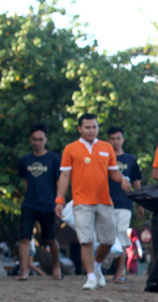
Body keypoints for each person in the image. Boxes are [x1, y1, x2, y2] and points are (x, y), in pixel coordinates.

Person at [54, 114, 130, 290]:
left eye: (94, 127)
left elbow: (114, 172)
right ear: (80, 128)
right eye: (87, 127)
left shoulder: (106, 147)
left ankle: (97, 266)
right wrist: (59, 199)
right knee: (86, 240)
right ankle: (90, 278)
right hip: (81, 202)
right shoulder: (71, 149)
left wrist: (123, 179)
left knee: (109, 240)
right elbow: (64, 175)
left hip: (104, 200)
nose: (91, 130)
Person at [17, 124, 62, 280]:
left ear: (46, 140)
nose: (37, 142)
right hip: (29, 203)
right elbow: (25, 183)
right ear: (31, 140)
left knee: (50, 238)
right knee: (24, 237)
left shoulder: (54, 159)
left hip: (48, 203)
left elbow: (59, 181)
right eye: (35, 139)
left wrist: (59, 202)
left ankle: (56, 267)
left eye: (40, 139)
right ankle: (24, 271)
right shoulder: (25, 160)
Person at [106, 126, 143, 282]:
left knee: (121, 234)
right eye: (112, 138)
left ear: (123, 139)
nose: (115, 141)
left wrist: (141, 203)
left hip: (125, 203)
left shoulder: (130, 160)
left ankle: (119, 273)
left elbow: (136, 183)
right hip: (105, 203)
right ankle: (103, 267)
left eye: (118, 138)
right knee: (107, 237)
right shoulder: (103, 158)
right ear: (108, 140)